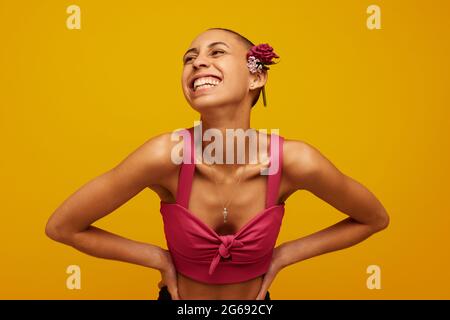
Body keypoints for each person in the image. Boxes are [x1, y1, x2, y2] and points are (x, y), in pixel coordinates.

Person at [45, 27, 390, 300]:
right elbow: (63, 226)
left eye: (217, 52)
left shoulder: (294, 161)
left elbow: (374, 218)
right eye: (189, 58)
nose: (197, 63)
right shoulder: (164, 155)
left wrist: (284, 255)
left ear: (256, 77)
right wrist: (158, 258)